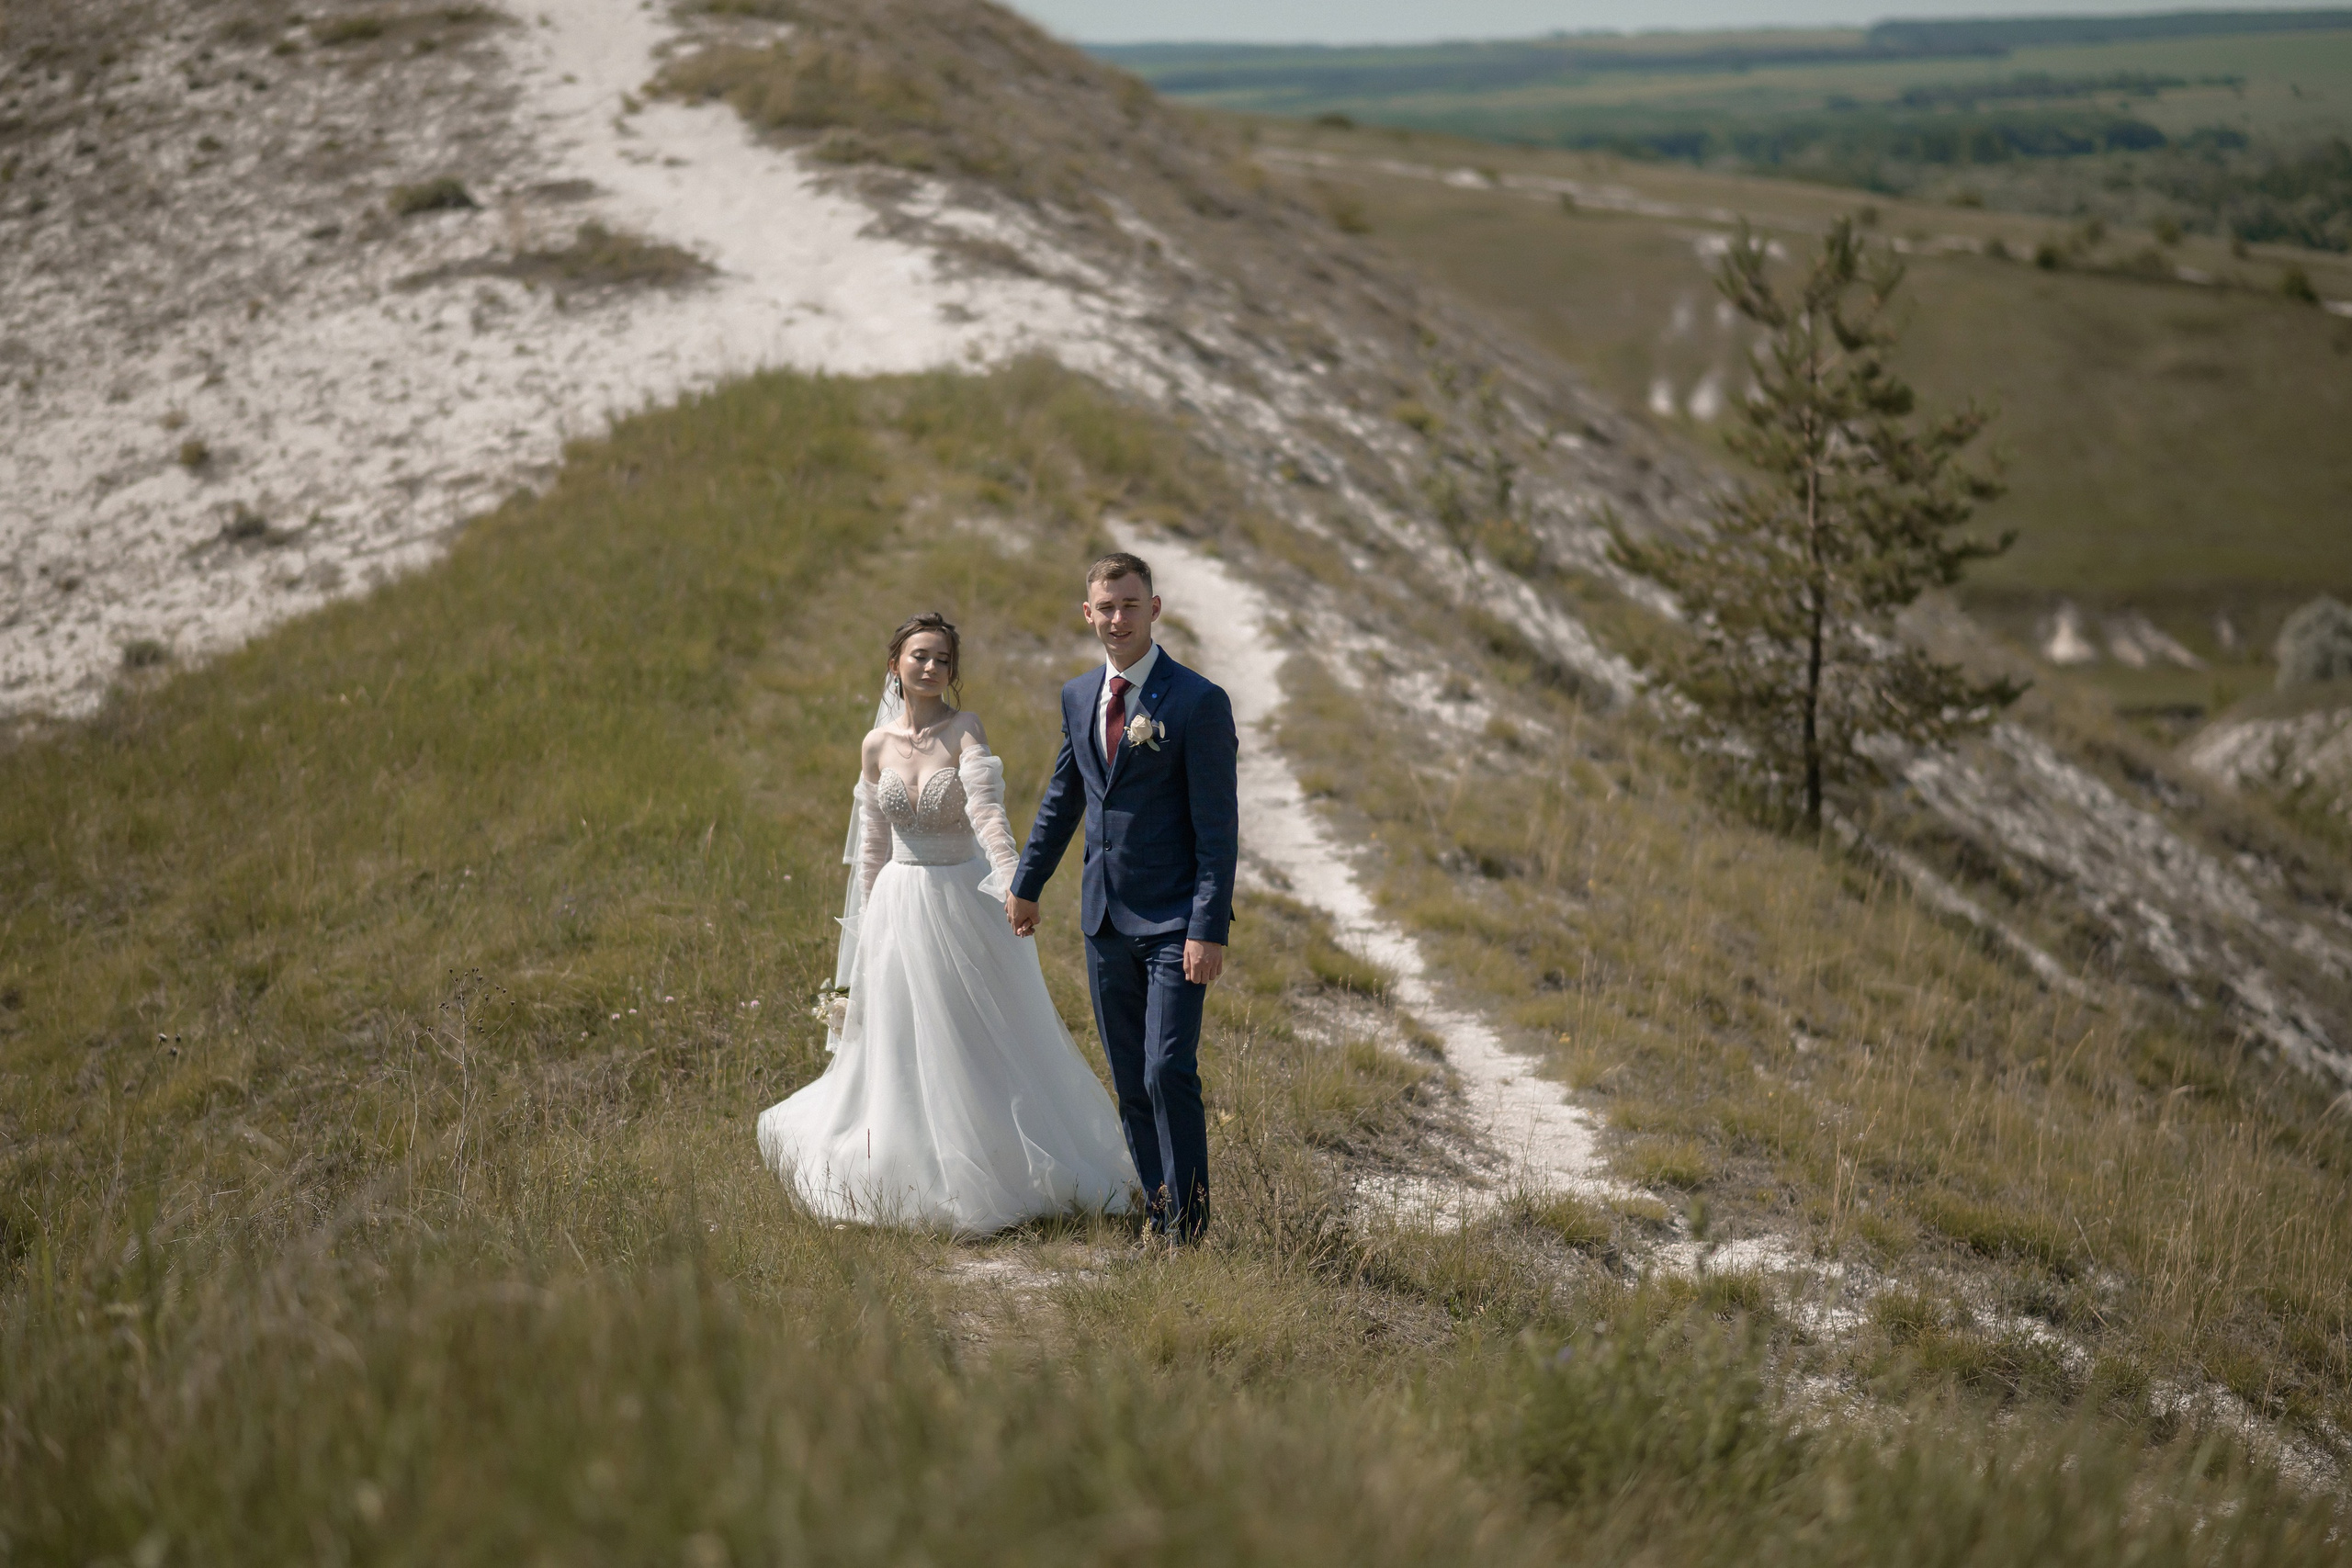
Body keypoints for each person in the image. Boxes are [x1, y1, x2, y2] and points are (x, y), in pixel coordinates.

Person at [756, 613, 1137, 1235]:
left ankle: (991, 1159)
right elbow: (873, 845)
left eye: (941, 659)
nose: (929, 667)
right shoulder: (875, 745)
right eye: (918, 656)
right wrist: (864, 935)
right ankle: (904, 1157)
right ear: (895, 664)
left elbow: (989, 816)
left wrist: (1017, 881)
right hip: (897, 905)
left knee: (970, 1032)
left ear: (952, 671)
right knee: (902, 1035)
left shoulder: (964, 730)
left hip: (961, 898)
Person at [1007, 553, 1239, 1245]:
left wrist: (1207, 927)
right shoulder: (1079, 696)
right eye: (1105, 607)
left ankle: (1190, 1235)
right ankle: (1160, 1215)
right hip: (1103, 919)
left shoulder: (1198, 701)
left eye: (1130, 604)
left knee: (1168, 1067)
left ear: (1155, 608)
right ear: (1088, 613)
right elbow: (1064, 797)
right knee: (1130, 1079)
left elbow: (1218, 830)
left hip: (1175, 922)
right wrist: (1027, 882)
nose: (1118, 618)